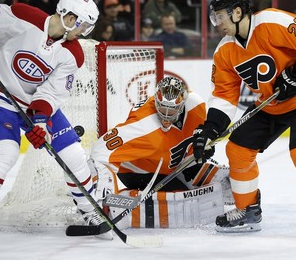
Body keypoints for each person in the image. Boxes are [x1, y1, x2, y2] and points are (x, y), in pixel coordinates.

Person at [0, 0, 112, 253]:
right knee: (5, 155)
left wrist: (40, 121)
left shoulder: (73, 54)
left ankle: (91, 213)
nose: (85, 32)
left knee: (74, 155)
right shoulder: (24, 15)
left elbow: (51, 93)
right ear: (69, 18)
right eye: (84, 25)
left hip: (34, 105)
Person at [192, 0, 296, 238]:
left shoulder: (271, 21)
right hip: (272, 103)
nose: (217, 23)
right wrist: (211, 128)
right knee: (237, 149)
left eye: (220, 16)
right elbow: (224, 95)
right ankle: (247, 210)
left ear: (237, 12)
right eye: (214, 17)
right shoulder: (225, 51)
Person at [89, 76, 233, 229]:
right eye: (162, 109)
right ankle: (127, 198)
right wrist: (106, 192)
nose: (165, 117)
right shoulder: (143, 125)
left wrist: (203, 146)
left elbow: (196, 136)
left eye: (172, 110)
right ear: (155, 102)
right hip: (141, 171)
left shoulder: (196, 105)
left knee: (226, 183)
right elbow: (100, 150)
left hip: (173, 164)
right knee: (182, 202)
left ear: (182, 104)